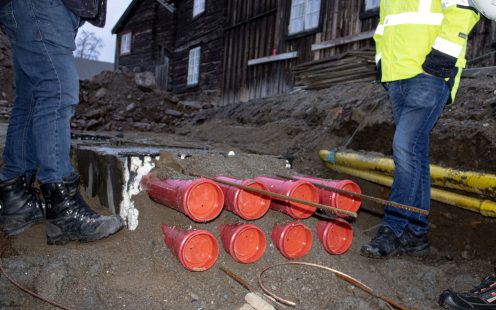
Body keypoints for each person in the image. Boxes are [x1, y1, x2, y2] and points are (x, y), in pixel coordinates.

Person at [360, 0, 480, 258]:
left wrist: (443, 57)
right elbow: (384, 27)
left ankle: (393, 227)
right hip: (396, 76)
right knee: (414, 153)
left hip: (430, 72)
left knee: (403, 146)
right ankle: (416, 234)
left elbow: (463, 10)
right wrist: (381, 62)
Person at [0, 0, 123, 244]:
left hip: (27, 8)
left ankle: (16, 198)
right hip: (42, 6)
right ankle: (62, 207)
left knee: (31, 98)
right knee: (58, 91)